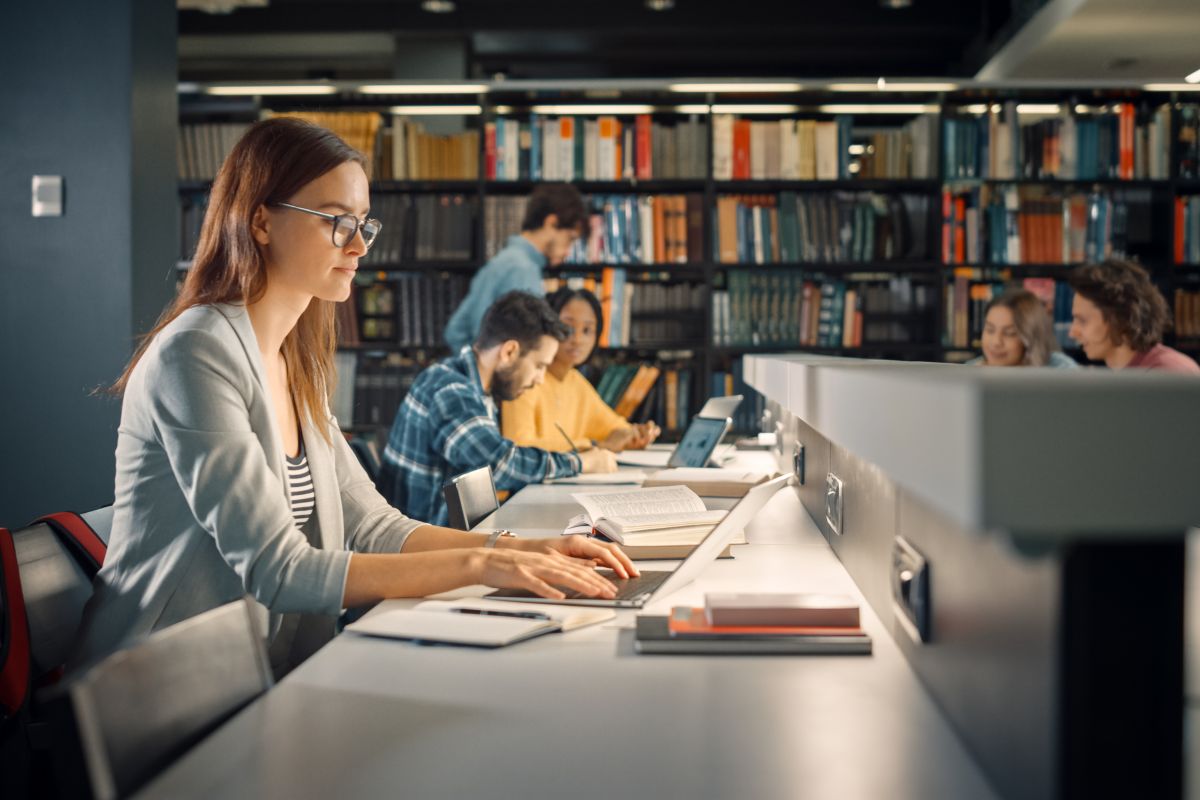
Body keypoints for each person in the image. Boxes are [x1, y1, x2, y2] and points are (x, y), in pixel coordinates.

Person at [72, 119, 635, 676]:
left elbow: (374, 526)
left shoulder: (297, 361)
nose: (360, 244)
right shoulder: (195, 353)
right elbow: (277, 569)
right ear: (261, 221)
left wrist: (520, 549)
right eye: (338, 222)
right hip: (154, 693)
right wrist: (483, 564)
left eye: (365, 223)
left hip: (257, 672)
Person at [377, 290, 618, 526]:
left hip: (451, 538)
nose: (540, 379)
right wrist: (580, 463)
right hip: (424, 550)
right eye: (538, 366)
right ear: (509, 352)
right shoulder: (450, 390)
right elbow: (497, 463)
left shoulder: (474, 386)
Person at [502, 287, 661, 451]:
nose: (577, 340)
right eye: (568, 328)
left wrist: (635, 435)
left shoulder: (575, 381)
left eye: (587, 330)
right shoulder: (525, 380)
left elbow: (615, 427)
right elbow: (518, 447)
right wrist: (593, 446)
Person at [443, 183, 587, 351]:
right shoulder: (522, 270)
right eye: (570, 238)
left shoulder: (506, 261)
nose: (568, 252)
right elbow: (523, 348)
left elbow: (455, 331)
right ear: (551, 223)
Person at [1067, 259, 1200, 374]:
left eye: (1082, 320)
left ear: (1119, 318)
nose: (1072, 333)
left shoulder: (1168, 373)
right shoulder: (1127, 376)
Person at [966, 289, 1078, 368]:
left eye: (1009, 333)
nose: (996, 342)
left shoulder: (1061, 368)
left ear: (1031, 337)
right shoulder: (968, 370)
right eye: (990, 330)